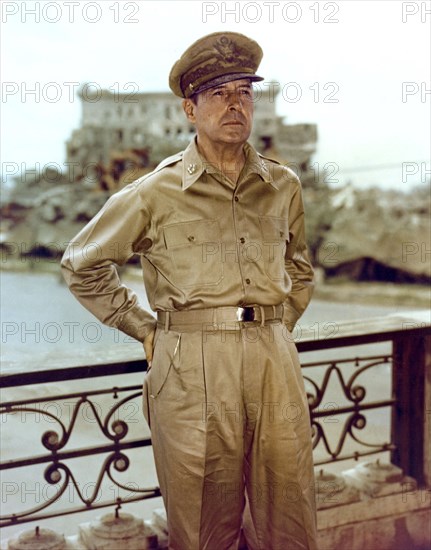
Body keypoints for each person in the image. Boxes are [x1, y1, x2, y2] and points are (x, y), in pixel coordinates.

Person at [61, 31, 318, 550]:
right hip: (190, 365)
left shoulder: (284, 184)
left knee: (290, 523)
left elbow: (301, 268)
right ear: (189, 108)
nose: (235, 104)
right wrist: (142, 327)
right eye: (219, 93)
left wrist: (275, 328)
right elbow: (82, 265)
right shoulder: (154, 192)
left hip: (273, 361)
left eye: (245, 92)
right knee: (203, 531)